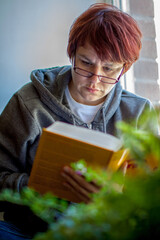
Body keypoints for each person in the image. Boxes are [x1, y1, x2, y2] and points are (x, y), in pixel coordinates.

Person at [0, 2, 155, 239]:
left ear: (124, 68)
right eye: (86, 63)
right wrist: (37, 187)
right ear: (72, 53)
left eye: (109, 69)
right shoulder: (29, 102)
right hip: (29, 230)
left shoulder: (138, 112)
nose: (95, 80)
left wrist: (118, 196)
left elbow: (150, 196)